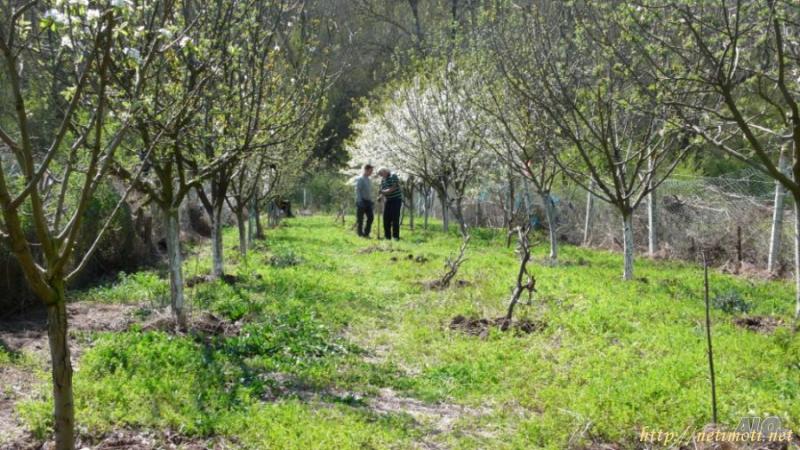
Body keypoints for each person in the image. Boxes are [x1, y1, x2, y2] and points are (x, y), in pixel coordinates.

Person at [377, 167, 402, 240]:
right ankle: (387, 237)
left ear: (385, 171)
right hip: (388, 200)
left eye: (382, 174)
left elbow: (393, 188)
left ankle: (395, 237)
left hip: (396, 199)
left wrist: (383, 192)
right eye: (380, 175)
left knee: (395, 218)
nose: (381, 176)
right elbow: (383, 191)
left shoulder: (393, 175)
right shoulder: (383, 180)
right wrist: (380, 197)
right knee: (386, 218)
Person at [355, 164, 374, 238]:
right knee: (360, 219)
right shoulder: (360, 179)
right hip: (361, 201)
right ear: (366, 170)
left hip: (368, 201)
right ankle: (360, 234)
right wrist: (359, 201)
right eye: (370, 171)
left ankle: (366, 233)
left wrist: (371, 200)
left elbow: (368, 191)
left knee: (371, 217)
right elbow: (357, 190)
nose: (371, 173)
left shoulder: (368, 180)